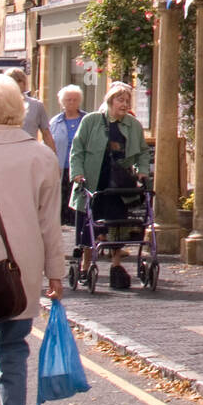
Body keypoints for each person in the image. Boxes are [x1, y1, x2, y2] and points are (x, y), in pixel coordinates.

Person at [0, 75, 63, 405]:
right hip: (22, 270)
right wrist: (55, 273)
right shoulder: (41, 156)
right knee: (14, 352)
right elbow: (49, 224)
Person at [70, 82, 149, 290]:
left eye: (127, 101)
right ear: (110, 101)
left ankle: (116, 266)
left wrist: (142, 170)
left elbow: (142, 151)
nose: (124, 104)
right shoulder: (92, 121)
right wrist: (76, 172)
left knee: (117, 224)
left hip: (119, 183)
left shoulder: (133, 124)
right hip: (93, 179)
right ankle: (86, 264)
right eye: (120, 100)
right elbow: (77, 148)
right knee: (89, 224)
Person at [50, 85, 86, 227]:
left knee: (78, 199)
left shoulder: (87, 120)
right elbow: (48, 144)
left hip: (80, 168)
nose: (71, 103)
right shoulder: (54, 122)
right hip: (60, 166)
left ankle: (76, 224)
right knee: (61, 198)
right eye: (68, 100)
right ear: (62, 102)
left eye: (74, 100)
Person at [4, 68, 56, 153]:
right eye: (12, 80)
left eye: (19, 80)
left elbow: (46, 135)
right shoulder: (0, 105)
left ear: (24, 83)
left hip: (30, 153)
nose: (16, 84)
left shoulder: (36, 105)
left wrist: (54, 159)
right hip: (6, 153)